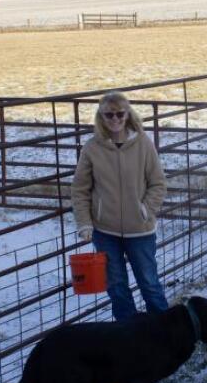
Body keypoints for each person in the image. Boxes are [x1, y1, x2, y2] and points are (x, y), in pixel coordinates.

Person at [71, 91, 168, 321]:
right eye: (108, 115)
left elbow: (158, 183)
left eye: (119, 114)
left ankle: (165, 332)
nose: (114, 119)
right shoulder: (92, 148)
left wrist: (145, 210)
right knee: (117, 287)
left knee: (149, 283)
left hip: (141, 230)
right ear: (100, 117)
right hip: (105, 232)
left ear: (128, 114)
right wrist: (84, 223)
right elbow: (79, 189)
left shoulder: (143, 144)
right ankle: (128, 335)